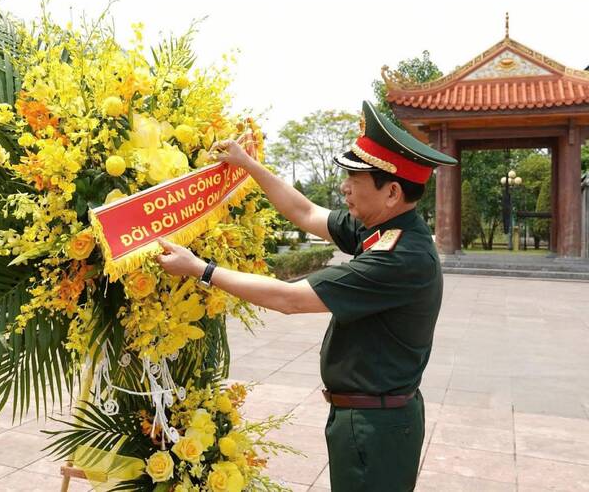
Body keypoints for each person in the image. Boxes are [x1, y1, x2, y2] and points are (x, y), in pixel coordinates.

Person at [156, 100, 457, 491]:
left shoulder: (401, 257)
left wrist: (201, 270)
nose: (344, 187)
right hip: (367, 419)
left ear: (392, 192)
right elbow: (305, 213)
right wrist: (248, 164)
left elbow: (290, 299)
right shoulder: (385, 228)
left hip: (376, 428)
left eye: (356, 179)